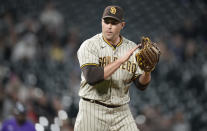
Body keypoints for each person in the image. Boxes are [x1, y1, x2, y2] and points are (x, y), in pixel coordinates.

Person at [74, 5, 152, 131]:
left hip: (121, 112)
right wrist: (120, 61)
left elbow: (141, 85)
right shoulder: (90, 45)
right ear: (101, 22)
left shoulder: (132, 48)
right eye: (106, 22)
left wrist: (147, 71)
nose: (109, 26)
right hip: (92, 109)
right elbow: (92, 77)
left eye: (114, 23)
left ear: (122, 25)